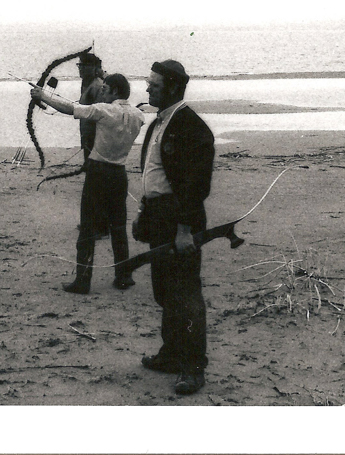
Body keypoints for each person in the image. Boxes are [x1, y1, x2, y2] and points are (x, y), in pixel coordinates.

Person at [131, 59, 215, 395]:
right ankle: (171, 354)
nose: (148, 88)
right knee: (163, 291)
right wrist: (143, 212)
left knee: (185, 295)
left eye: (154, 83)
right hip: (158, 215)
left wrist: (184, 230)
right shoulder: (158, 123)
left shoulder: (193, 128)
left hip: (182, 219)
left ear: (173, 87)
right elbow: (153, 174)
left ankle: (193, 367)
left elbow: (195, 186)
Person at [31, 73, 144, 294]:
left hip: (99, 171)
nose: (101, 92)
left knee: (88, 227)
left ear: (114, 91)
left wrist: (42, 96)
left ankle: (83, 280)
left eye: (105, 89)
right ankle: (123, 276)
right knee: (118, 227)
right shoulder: (138, 115)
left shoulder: (104, 110)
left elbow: (71, 108)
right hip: (119, 173)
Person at [77, 53, 111, 239]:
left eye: (84, 66)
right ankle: (91, 222)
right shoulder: (87, 84)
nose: (81, 69)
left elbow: (100, 114)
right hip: (87, 137)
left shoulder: (97, 86)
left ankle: (101, 226)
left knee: (96, 183)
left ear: (94, 67)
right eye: (79, 66)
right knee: (91, 181)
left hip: (95, 139)